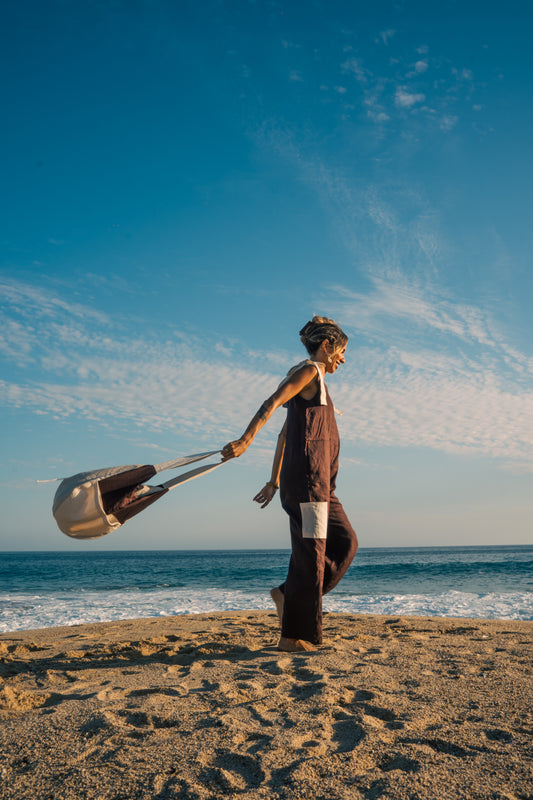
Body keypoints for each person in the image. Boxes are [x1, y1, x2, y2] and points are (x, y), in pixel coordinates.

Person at [221, 316, 358, 652]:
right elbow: (271, 402)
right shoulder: (309, 372)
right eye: (341, 351)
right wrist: (245, 440)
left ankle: (286, 595)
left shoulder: (317, 383)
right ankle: (292, 638)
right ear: (326, 346)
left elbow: (285, 435)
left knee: (345, 543)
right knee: (311, 557)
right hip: (309, 486)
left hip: (321, 488)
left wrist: (273, 481)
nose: (343, 359)